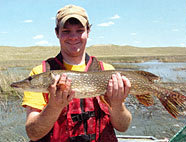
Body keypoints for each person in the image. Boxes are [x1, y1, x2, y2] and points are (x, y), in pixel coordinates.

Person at [22, 5, 132, 142]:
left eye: (80, 30)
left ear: (88, 32)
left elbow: (123, 126)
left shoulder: (107, 71)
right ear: (57, 33)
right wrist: (54, 107)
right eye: (66, 31)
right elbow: (33, 133)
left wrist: (117, 104)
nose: (73, 37)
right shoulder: (41, 72)